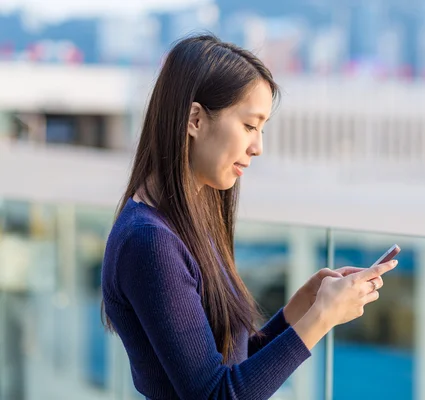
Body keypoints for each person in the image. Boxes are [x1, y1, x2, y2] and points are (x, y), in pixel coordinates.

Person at [100, 34, 397, 400]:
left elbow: (227, 371)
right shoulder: (149, 241)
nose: (258, 147)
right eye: (249, 126)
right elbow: (216, 395)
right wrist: (322, 318)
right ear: (195, 119)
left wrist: (299, 312)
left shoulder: (184, 225)